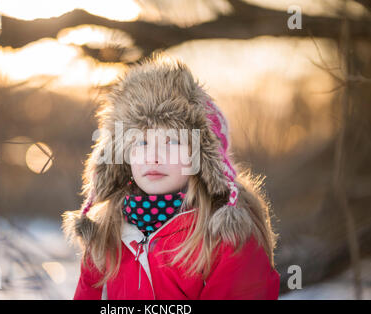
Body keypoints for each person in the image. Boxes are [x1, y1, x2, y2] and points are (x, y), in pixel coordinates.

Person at [62, 53, 280, 300]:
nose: (154, 157)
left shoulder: (226, 239)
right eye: (142, 142)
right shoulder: (106, 236)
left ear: (201, 157)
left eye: (172, 141)